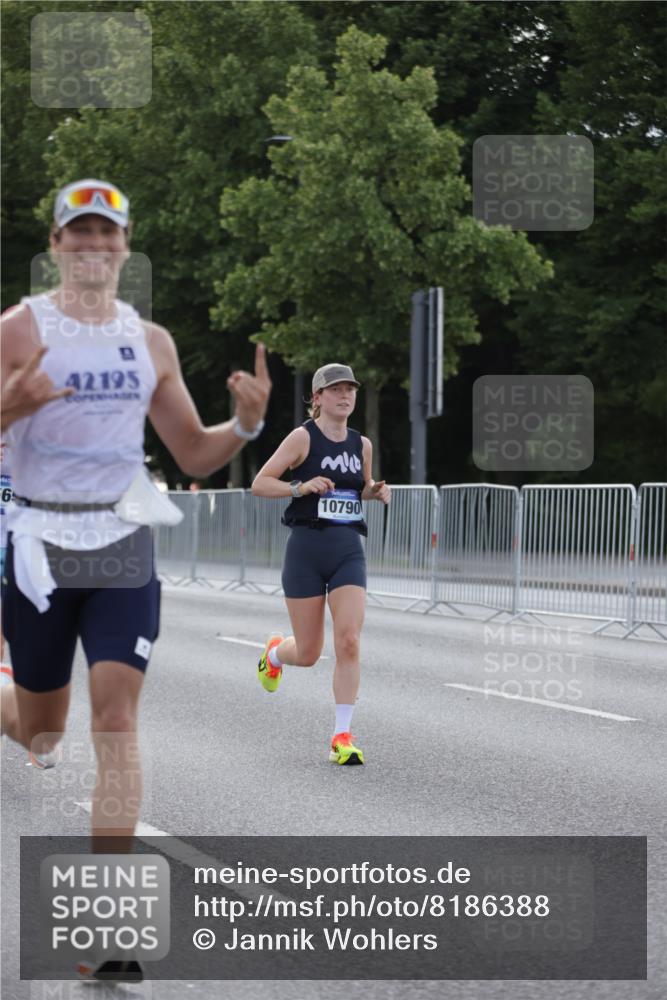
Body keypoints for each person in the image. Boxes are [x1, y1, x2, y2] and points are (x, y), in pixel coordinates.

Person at [0, 178, 271, 981]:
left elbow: (190, 452)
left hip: (121, 542)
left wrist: (248, 426)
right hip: (40, 547)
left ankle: (103, 929)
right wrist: (9, 409)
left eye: (106, 234)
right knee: (43, 732)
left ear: (124, 246)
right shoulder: (18, 329)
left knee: (115, 721)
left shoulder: (149, 341)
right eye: (77, 233)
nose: (93, 246)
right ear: (55, 246)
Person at [251, 363, 390, 765]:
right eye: (335, 390)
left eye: (350, 390)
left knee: (348, 640)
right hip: (306, 551)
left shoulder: (361, 444)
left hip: (348, 549)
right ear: (317, 398)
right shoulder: (302, 437)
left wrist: (374, 491)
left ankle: (341, 736)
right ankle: (276, 654)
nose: (345, 396)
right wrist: (299, 486)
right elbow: (261, 483)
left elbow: (358, 488)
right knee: (309, 652)